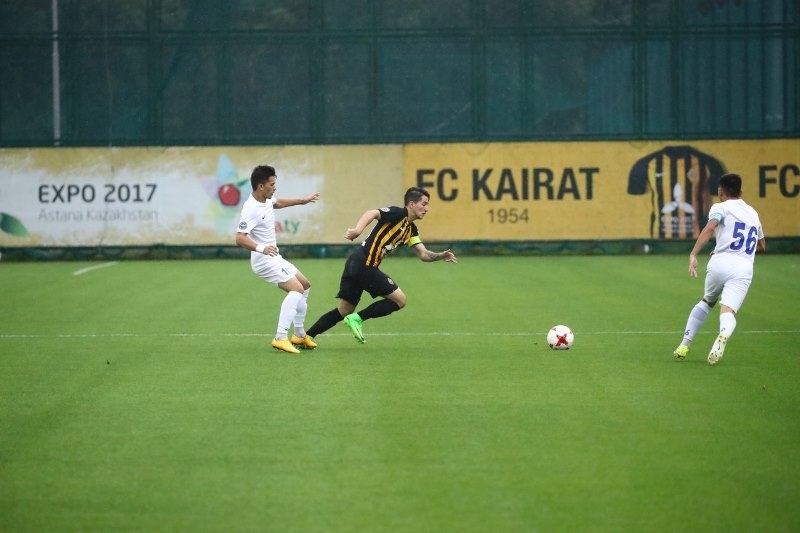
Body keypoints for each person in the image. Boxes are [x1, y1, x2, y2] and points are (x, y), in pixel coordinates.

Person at [305, 186, 457, 344]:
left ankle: (305, 337)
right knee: (400, 300)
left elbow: (423, 254)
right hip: (364, 264)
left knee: (344, 310)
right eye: (424, 204)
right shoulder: (398, 213)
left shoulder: (411, 230)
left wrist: (440, 256)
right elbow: (372, 213)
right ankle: (357, 319)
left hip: (355, 263)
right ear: (411, 204)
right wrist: (357, 230)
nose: (427, 209)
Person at [673, 173, 765, 365]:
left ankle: (684, 344)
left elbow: (710, 228)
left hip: (720, 261)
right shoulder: (753, 213)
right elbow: (761, 245)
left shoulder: (720, 207)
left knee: (707, 301)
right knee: (728, 310)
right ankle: (723, 334)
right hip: (743, 268)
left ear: (720, 191)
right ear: (741, 192)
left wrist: (694, 254)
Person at [235, 165, 320, 354]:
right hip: (263, 260)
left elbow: (277, 202)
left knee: (305, 286)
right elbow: (240, 238)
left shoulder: (265, 199)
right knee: (296, 289)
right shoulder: (251, 209)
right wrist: (261, 248)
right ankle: (280, 337)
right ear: (261, 186)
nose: (275, 187)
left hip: (273, 256)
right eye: (272, 184)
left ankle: (299, 335)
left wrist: (302, 201)